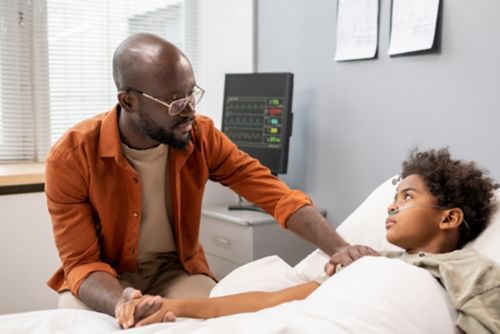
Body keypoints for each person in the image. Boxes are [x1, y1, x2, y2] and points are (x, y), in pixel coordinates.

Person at [44, 32, 375, 323]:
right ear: (128, 101)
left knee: (214, 323)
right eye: (175, 102)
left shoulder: (201, 136)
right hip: (105, 277)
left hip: (175, 272)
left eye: (191, 94)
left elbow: (274, 194)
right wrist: (121, 302)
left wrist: (340, 247)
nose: (189, 111)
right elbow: (82, 263)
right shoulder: (71, 158)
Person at [116, 148, 500, 334]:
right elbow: (271, 303)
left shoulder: (467, 270)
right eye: (395, 197)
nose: (392, 207)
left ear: (449, 218)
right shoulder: (368, 264)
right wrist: (176, 305)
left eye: (408, 198)